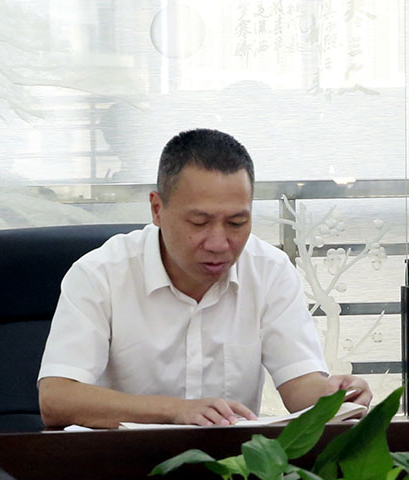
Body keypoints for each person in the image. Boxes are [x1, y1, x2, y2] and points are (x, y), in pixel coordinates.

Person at [38, 128, 372, 429]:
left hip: (232, 468)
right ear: (157, 209)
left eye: (237, 223)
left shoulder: (270, 270)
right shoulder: (99, 274)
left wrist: (334, 396)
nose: (219, 243)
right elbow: (56, 399)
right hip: (124, 466)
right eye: (199, 223)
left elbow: (299, 386)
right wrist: (175, 410)